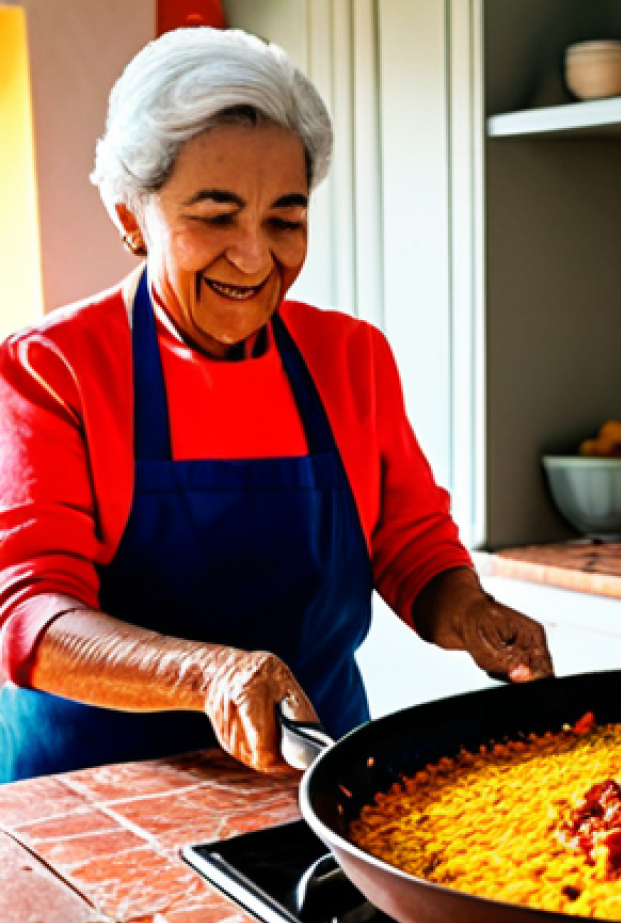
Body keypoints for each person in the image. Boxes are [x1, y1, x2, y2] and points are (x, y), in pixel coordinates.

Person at [0, 27, 554, 783]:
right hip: (97, 794)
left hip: (310, 785)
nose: (256, 256)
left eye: (285, 220)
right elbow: (33, 616)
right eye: (216, 216)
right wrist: (208, 675)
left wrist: (469, 612)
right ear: (132, 215)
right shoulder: (50, 368)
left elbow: (412, 543)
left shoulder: (350, 358)